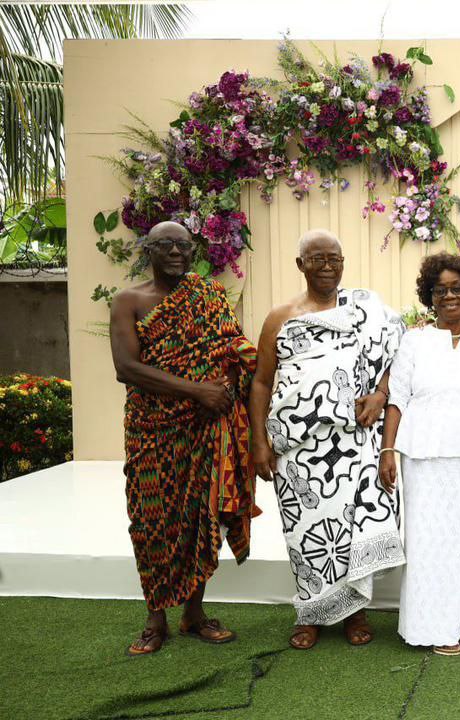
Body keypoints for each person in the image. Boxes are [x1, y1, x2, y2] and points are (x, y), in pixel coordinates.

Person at [249, 229, 404, 650]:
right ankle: (311, 613)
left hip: (355, 441)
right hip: (297, 449)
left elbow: (400, 355)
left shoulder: (367, 310)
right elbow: (261, 381)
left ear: (343, 262)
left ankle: (355, 612)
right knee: (305, 533)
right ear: (300, 264)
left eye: (333, 258)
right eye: (316, 259)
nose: (326, 267)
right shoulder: (280, 317)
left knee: (350, 530)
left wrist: (381, 393)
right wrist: (258, 442)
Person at [110, 221, 259, 656]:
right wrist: (198, 391)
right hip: (152, 429)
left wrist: (230, 384)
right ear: (149, 250)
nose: (175, 251)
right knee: (151, 519)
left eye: (183, 244)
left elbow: (233, 349)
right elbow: (127, 368)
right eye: (165, 245)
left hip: (205, 427)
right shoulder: (129, 300)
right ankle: (155, 618)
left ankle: (194, 612)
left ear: (193, 251)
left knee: (200, 518)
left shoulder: (209, 295)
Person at [379, 253, 460, 657]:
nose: (450, 296)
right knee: (425, 538)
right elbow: (397, 399)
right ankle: (427, 624)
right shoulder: (414, 341)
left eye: (457, 289)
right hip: (422, 453)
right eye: (441, 290)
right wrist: (387, 450)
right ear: (430, 296)